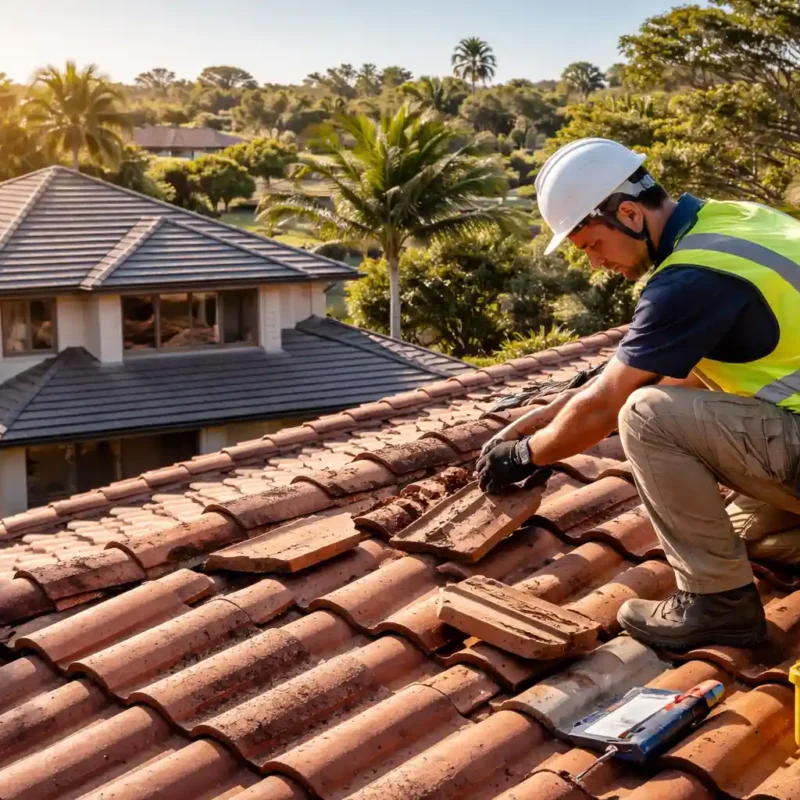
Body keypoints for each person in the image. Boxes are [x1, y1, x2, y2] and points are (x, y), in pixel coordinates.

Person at [476, 137, 800, 651]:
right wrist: (556, 410)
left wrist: (526, 454)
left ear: (628, 213)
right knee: (739, 535)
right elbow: (675, 373)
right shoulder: (737, 221)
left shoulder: (691, 277)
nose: (595, 264)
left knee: (647, 417)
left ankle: (718, 605)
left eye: (591, 245)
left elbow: (610, 403)